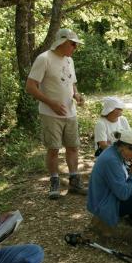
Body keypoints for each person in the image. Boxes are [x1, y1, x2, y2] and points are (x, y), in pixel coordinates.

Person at [26, 28, 87, 199]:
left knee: (73, 147)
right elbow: (30, 87)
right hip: (50, 113)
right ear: (61, 42)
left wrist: (76, 95)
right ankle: (54, 182)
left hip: (70, 112)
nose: (75, 47)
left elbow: (71, 83)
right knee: (53, 149)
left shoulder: (69, 60)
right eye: (73, 44)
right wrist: (51, 103)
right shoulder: (44, 59)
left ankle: (74, 181)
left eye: (76, 44)